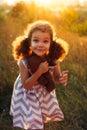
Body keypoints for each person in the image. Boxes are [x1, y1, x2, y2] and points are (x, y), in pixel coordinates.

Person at [10, 20, 69, 130]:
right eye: (36, 41)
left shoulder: (53, 60)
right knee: (33, 122)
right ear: (29, 42)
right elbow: (26, 85)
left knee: (41, 120)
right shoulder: (24, 62)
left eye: (45, 41)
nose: (40, 45)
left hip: (44, 94)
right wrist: (39, 72)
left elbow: (56, 77)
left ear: (51, 43)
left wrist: (61, 79)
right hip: (28, 94)